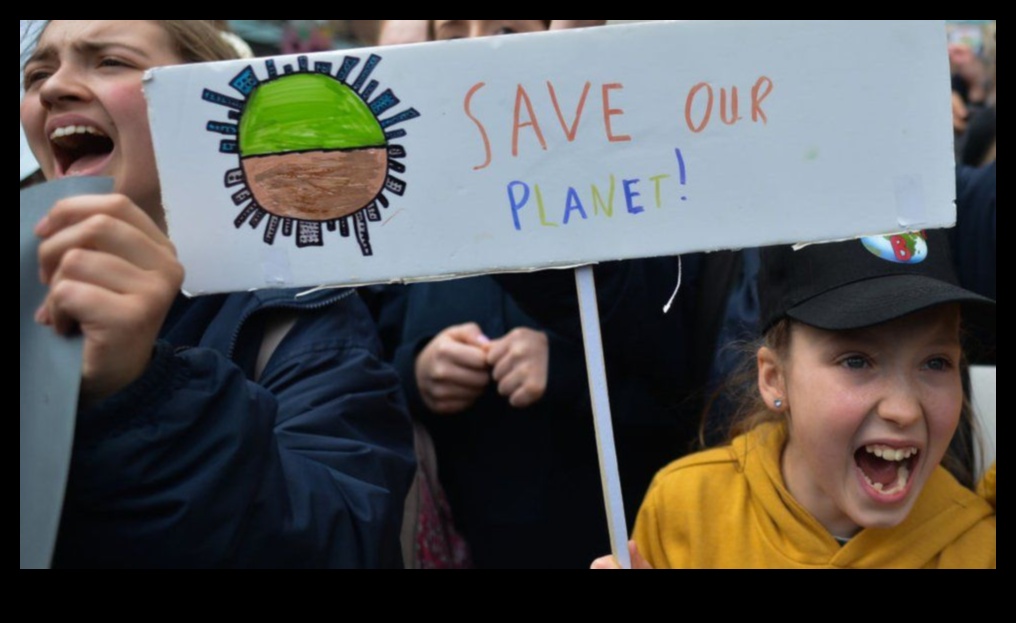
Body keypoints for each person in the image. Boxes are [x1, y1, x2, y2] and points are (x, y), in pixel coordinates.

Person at [22, 20, 415, 568]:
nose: (53, 87)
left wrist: (143, 390)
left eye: (109, 61)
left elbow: (342, 542)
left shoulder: (296, 317)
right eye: (37, 72)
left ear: (204, 104)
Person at [593, 230, 996, 568]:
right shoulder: (686, 510)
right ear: (773, 378)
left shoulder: (979, 548)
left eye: (936, 362)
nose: (904, 409)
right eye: (857, 360)